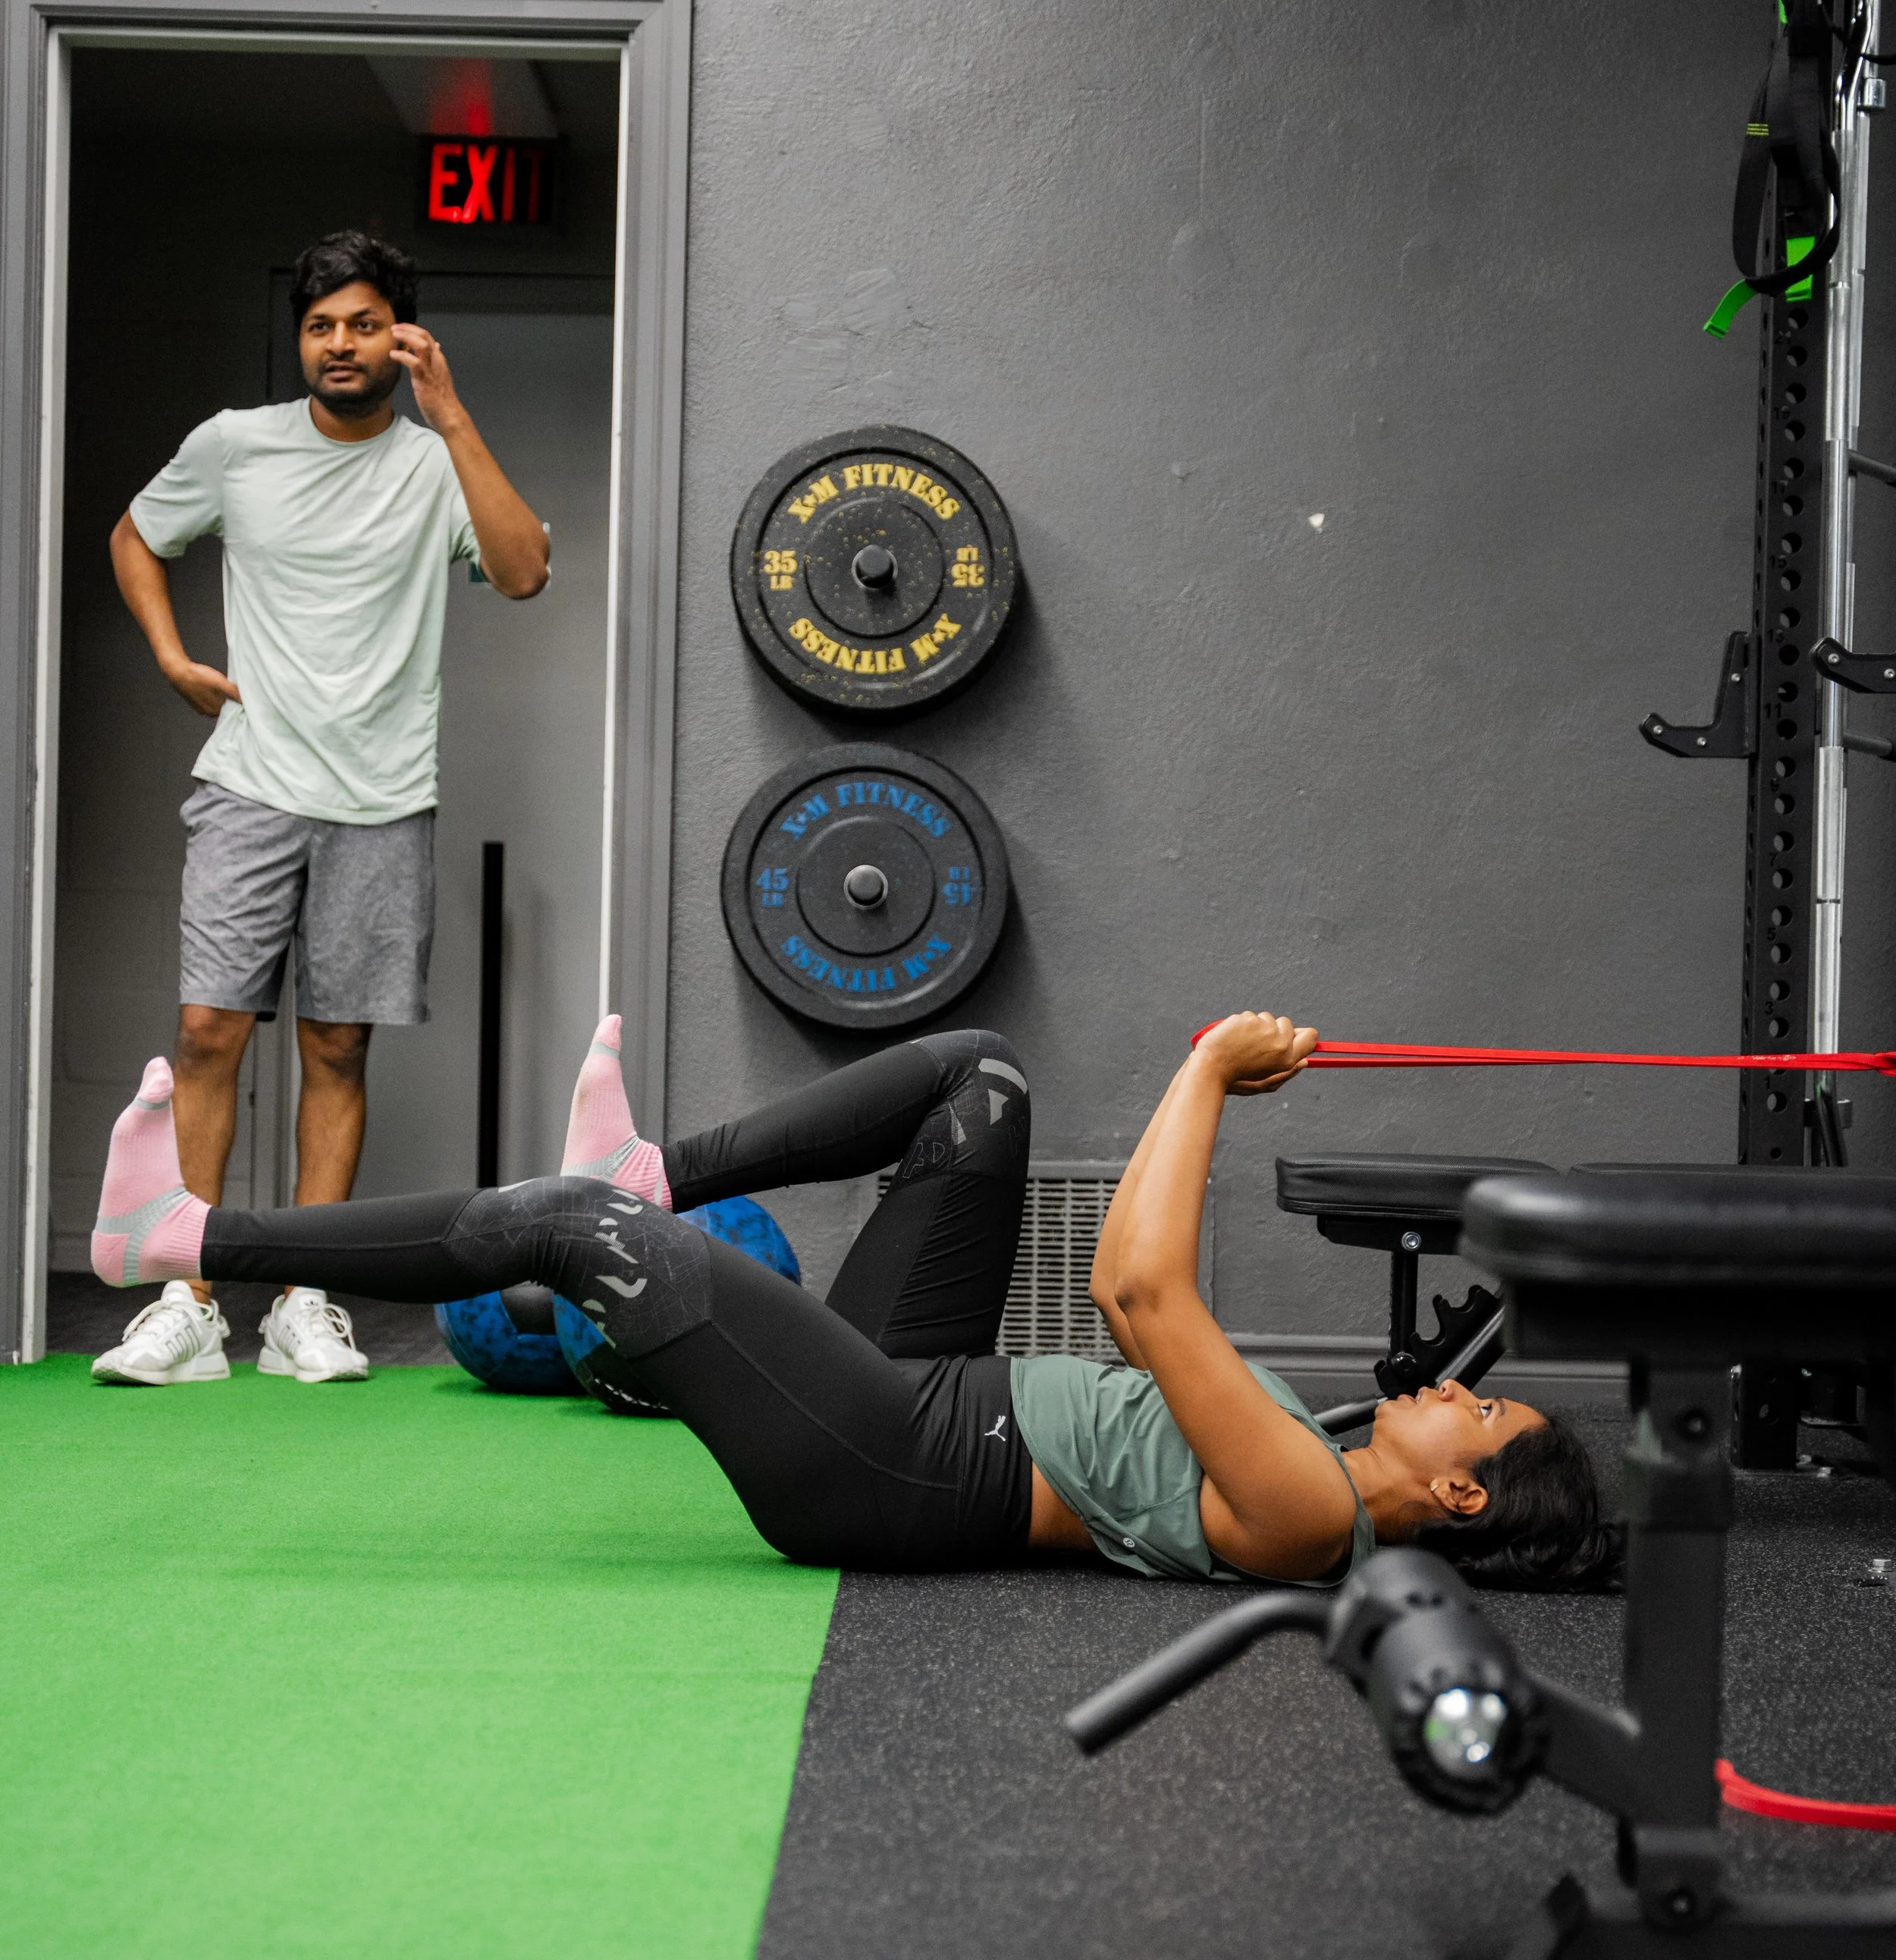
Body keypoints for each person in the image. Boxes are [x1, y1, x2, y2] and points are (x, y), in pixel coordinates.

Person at [89, 1006, 1615, 1588]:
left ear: (1464, 1501)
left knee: (565, 1237)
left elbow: (1135, 1290)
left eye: (1473, 1412)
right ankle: (653, 1169)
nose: (1442, 1389)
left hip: (889, 1462)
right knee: (980, 1079)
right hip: (933, 1393)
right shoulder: (1329, 1462)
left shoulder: (1306, 1508)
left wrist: (1207, 1066)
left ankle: (183, 1235)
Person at [93, 228, 551, 1389]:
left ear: (400, 335)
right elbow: (135, 536)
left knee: (336, 1046)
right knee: (208, 1032)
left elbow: (522, 569)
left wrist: (452, 419)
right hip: (250, 783)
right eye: (318, 325)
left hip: (384, 799)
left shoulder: (434, 461)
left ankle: (306, 1295)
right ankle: (187, 1298)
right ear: (299, 338)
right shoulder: (234, 446)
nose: (338, 344)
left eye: (360, 323)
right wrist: (171, 655)